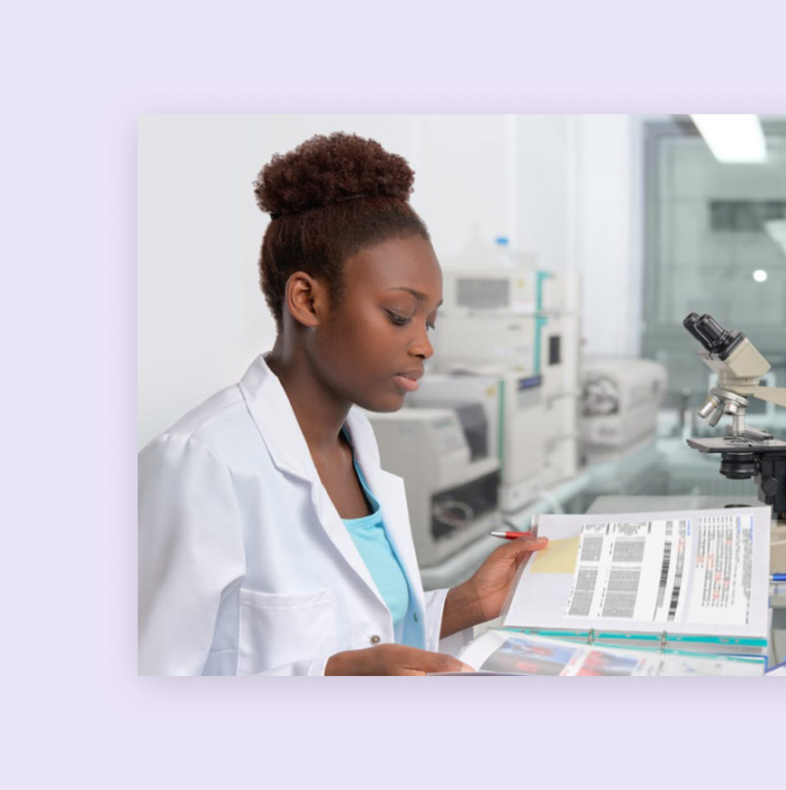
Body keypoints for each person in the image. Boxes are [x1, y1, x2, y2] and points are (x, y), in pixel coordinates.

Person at [137, 132, 547, 675]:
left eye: (431, 320)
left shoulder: (357, 447)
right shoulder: (201, 462)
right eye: (400, 314)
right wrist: (328, 681)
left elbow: (368, 628)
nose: (425, 344)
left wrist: (470, 602)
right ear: (307, 300)